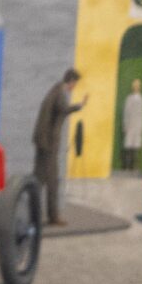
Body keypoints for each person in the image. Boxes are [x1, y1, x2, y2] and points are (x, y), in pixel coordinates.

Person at [33, 67, 84, 225]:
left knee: (39, 180)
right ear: (71, 81)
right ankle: (53, 216)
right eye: (75, 83)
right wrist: (79, 106)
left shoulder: (55, 90)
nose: (74, 87)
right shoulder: (60, 93)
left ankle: (34, 214)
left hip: (43, 141)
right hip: (49, 143)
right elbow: (64, 108)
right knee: (52, 181)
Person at [119, 80, 142, 171]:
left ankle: (134, 167)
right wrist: (125, 125)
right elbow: (126, 113)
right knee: (128, 146)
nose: (136, 87)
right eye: (135, 86)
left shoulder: (141, 99)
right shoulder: (129, 98)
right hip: (130, 124)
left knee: (136, 147)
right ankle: (127, 166)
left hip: (138, 125)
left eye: (138, 86)